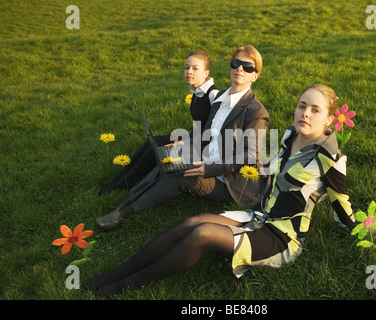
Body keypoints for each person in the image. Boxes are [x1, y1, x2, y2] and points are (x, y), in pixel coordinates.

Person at [85, 84, 358, 298]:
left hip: (282, 237)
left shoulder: (331, 159)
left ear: (330, 119)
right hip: (258, 216)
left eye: (315, 110)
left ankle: (132, 283)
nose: (305, 114)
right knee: (191, 222)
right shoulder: (290, 136)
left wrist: (360, 229)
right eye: (302, 106)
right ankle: (117, 273)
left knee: (202, 234)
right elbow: (269, 175)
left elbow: (341, 204)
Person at [94, 45, 270, 230]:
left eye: (248, 66)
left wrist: (208, 169)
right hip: (206, 158)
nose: (240, 69)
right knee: (169, 156)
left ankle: (123, 213)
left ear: (255, 76)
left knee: (179, 176)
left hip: (229, 182)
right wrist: (187, 142)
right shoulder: (220, 99)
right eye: (236, 63)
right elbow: (207, 134)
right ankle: (128, 199)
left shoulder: (256, 113)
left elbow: (248, 156)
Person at [98, 51, 219, 195]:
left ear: (206, 73)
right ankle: (118, 179)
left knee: (155, 150)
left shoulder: (214, 95)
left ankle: (122, 185)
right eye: (187, 68)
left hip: (204, 146)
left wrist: (184, 143)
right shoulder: (196, 91)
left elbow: (214, 133)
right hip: (194, 137)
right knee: (153, 142)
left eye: (195, 68)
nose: (189, 72)